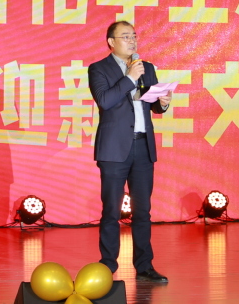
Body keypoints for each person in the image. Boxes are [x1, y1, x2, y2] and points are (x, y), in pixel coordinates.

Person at [88, 20, 172, 283]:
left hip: (143, 146)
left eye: (134, 36)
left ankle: (144, 266)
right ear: (111, 42)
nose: (132, 40)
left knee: (143, 211)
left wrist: (163, 103)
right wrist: (129, 78)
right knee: (111, 211)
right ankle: (107, 265)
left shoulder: (147, 67)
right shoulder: (98, 69)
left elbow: (151, 104)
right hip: (114, 149)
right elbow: (105, 101)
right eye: (125, 36)